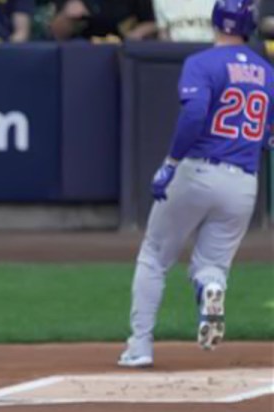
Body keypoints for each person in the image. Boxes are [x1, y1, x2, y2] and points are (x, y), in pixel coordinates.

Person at [119, 0, 269, 368]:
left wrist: (170, 163)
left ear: (216, 20)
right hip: (243, 181)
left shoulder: (202, 63)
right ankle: (211, 290)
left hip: (198, 169)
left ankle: (140, 346)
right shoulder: (267, 71)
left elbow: (194, 114)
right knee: (213, 265)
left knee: (154, 255)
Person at [49, 0, 157, 41]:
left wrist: (139, 32)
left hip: (121, 52)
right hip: (80, 51)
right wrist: (67, 17)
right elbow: (57, 32)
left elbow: (151, 23)